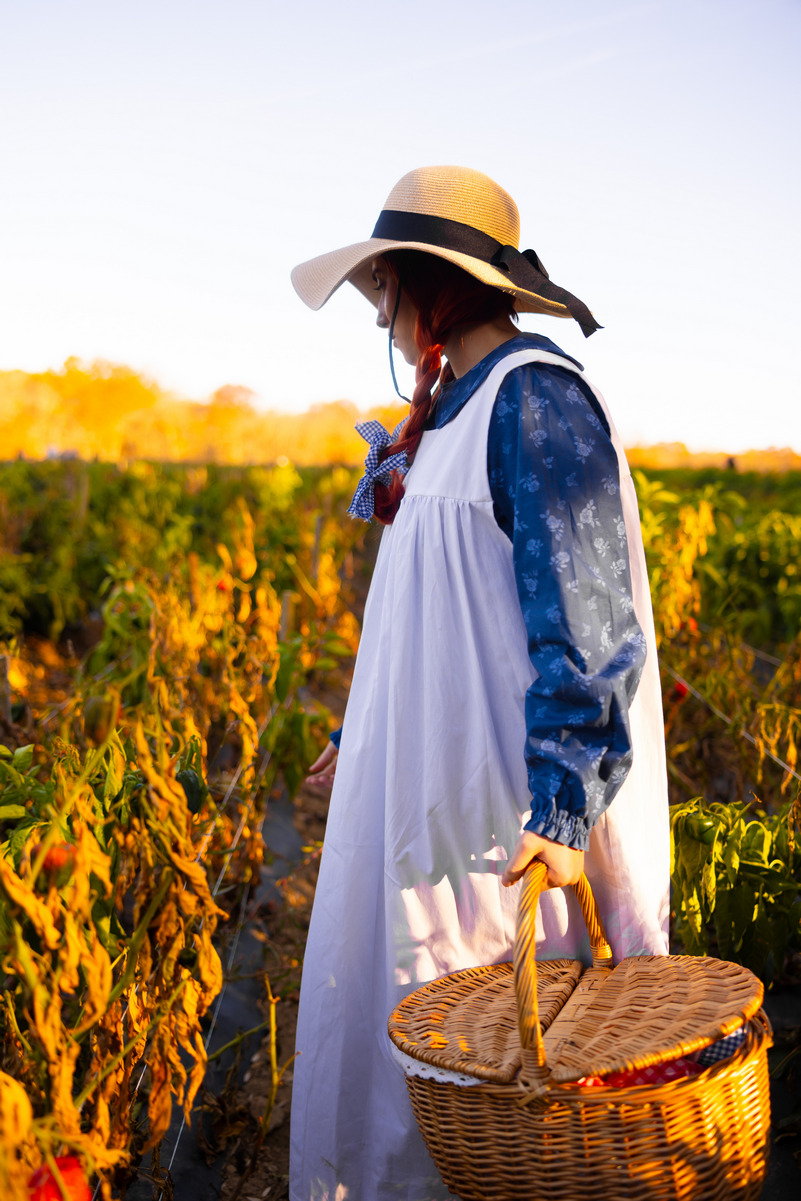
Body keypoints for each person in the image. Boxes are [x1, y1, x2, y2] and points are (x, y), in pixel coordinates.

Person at [288, 165, 669, 1201]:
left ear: (430, 284)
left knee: (498, 1061)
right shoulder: (452, 412)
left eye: (385, 285)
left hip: (500, 818)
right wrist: (361, 731)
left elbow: (588, 626)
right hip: (423, 791)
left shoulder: (534, 404)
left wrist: (563, 804)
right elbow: (431, 616)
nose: (378, 307)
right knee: (422, 1040)